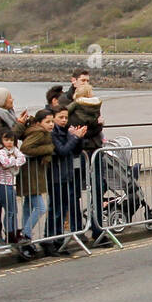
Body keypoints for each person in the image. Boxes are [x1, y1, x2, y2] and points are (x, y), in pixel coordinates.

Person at [67, 81, 106, 245]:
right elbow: (92, 130)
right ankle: (97, 229)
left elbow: (80, 132)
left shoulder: (73, 110)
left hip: (80, 152)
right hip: (92, 151)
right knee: (96, 190)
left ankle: (78, 229)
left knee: (75, 192)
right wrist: (98, 126)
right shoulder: (95, 109)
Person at [45, 107, 87, 253]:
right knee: (55, 210)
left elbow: (75, 151)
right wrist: (74, 137)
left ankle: (58, 240)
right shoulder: (53, 134)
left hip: (66, 174)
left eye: (65, 117)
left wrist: (79, 138)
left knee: (62, 210)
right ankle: (51, 240)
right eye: (60, 117)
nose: (64, 120)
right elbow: (62, 150)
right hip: (56, 176)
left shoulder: (65, 132)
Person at [19, 109, 55, 256]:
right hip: (31, 174)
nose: (51, 124)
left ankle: (26, 238)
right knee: (40, 207)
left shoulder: (38, 131)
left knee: (28, 206)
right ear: (39, 122)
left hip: (32, 173)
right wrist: (49, 149)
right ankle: (25, 236)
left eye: (52, 121)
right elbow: (25, 148)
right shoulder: (39, 132)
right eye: (48, 122)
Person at [0, 131, 26, 245]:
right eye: (6, 140)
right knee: (9, 210)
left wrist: (13, 161)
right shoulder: (1, 151)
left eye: (11, 140)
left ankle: (13, 231)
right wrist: (14, 161)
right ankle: (9, 233)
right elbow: (5, 163)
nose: (9, 143)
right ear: (2, 141)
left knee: (13, 210)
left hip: (9, 183)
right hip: (1, 183)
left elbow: (22, 159)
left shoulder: (14, 150)